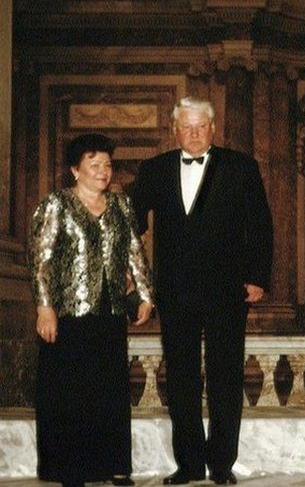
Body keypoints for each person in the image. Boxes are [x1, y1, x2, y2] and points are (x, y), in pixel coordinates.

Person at [131, 96, 273, 485]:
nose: (194, 134)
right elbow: (131, 223)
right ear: (175, 131)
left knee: (226, 375)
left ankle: (222, 464)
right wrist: (132, 275)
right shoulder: (155, 169)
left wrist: (258, 277)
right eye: (186, 127)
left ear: (212, 128)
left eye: (201, 127)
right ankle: (189, 464)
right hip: (175, 290)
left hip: (228, 289)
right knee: (181, 378)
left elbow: (260, 225)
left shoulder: (241, 167)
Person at [29, 133, 154, 487]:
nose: (103, 171)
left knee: (111, 392)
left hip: (110, 310)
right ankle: (72, 469)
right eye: (94, 164)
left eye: (107, 165)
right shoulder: (56, 205)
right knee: (71, 394)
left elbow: (135, 254)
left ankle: (115, 466)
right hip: (68, 314)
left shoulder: (122, 205)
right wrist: (44, 308)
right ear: (75, 170)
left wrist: (145, 295)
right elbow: (40, 261)